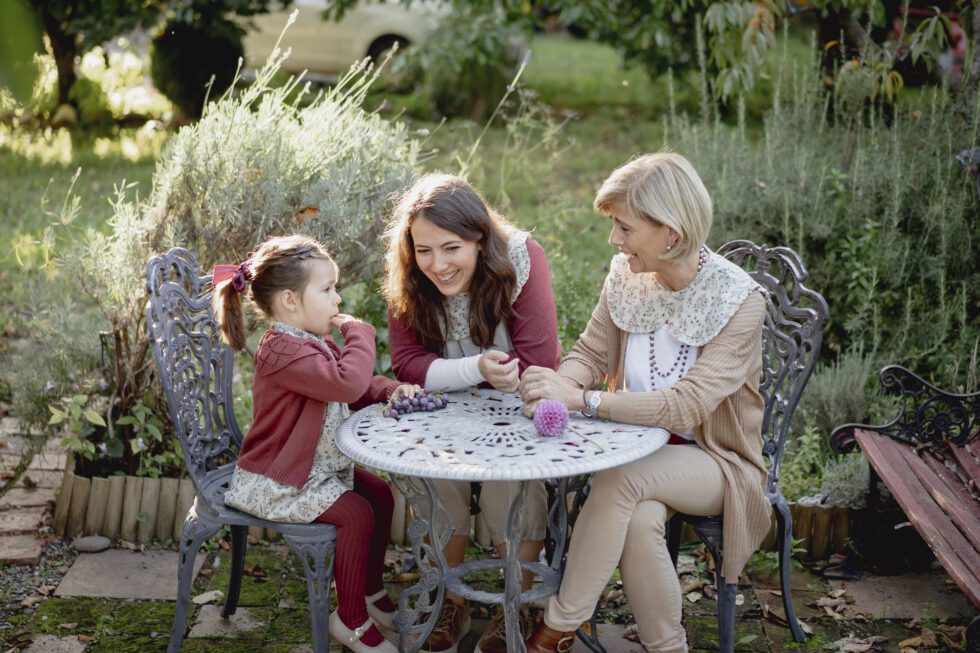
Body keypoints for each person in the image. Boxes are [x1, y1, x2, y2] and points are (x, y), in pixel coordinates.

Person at [519, 153, 770, 653]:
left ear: (671, 234)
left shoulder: (739, 301)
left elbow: (686, 407)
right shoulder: (627, 277)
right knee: (636, 518)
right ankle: (668, 647)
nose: (615, 239)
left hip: (717, 462)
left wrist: (583, 401)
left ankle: (553, 631)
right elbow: (589, 352)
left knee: (621, 479)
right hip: (638, 450)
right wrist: (555, 390)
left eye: (624, 227)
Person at [213, 234, 421, 653]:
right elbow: (344, 383)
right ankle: (350, 620)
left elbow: (346, 382)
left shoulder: (306, 341)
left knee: (378, 493)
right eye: (327, 289)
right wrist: (362, 334)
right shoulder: (281, 351)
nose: (337, 299)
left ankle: (368, 593)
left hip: (311, 468)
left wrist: (387, 390)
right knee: (356, 514)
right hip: (278, 478)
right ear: (290, 300)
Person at [383, 173, 562, 653]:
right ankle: (449, 598)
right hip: (446, 410)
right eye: (424, 250)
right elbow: (407, 363)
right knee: (437, 472)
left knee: (512, 478)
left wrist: (496, 374)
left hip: (517, 406)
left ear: (480, 240)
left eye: (451, 247)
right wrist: (473, 369)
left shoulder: (522, 260)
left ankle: (517, 604)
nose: (437, 265)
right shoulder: (409, 276)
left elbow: (541, 359)